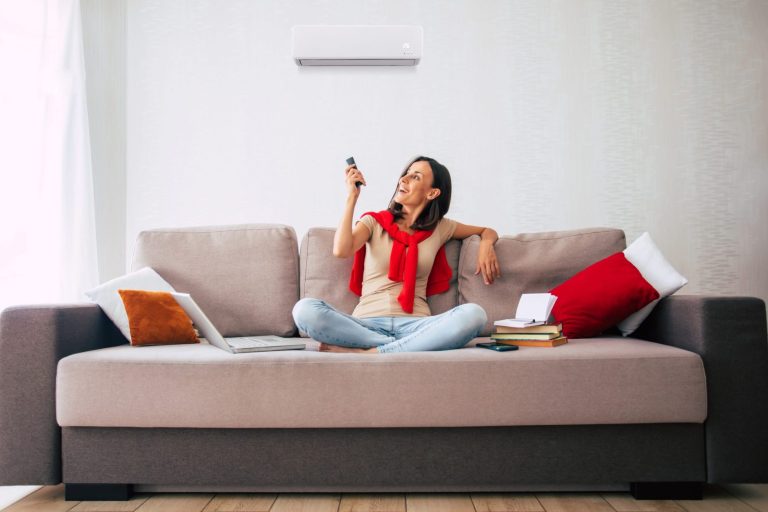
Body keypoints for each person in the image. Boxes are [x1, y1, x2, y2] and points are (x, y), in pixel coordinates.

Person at [292, 156, 501, 353]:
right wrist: (352, 197)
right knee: (304, 310)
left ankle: (374, 351)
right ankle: (400, 348)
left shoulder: (441, 228)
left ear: (432, 193)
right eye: (407, 173)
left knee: (474, 314)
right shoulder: (373, 222)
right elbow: (341, 250)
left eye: (416, 176)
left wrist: (486, 245)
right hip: (365, 325)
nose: (404, 178)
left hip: (417, 325)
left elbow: (487, 231)